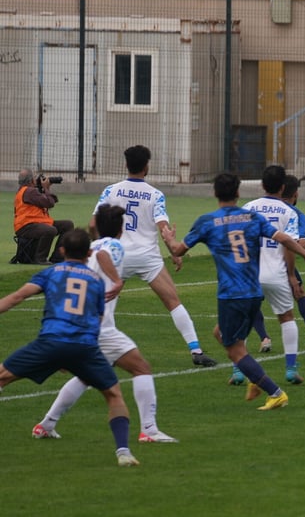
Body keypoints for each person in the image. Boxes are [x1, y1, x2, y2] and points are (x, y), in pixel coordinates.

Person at [164, 173, 305, 411]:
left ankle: (274, 392)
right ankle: (257, 377)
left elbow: (178, 251)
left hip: (232, 293)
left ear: (214, 193)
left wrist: (168, 239)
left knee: (231, 345)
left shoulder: (207, 221)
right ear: (238, 193)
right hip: (254, 292)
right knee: (223, 334)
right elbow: (284, 238)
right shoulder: (252, 217)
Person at [33, 205, 178, 443]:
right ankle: (149, 430)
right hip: (101, 327)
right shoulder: (113, 246)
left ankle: (46, 424)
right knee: (141, 367)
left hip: (79, 322)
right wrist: (116, 279)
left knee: (85, 376)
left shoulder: (88, 248)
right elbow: (106, 256)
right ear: (121, 229)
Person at [0, 228, 139, 466]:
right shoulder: (96, 281)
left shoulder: (51, 272)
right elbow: (97, 319)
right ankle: (124, 452)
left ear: (61, 250)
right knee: (114, 394)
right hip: (84, 346)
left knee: (2, 376)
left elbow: (17, 297)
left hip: (50, 342)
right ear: (89, 252)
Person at [92, 145, 217, 367]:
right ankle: (196, 350)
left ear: (126, 164)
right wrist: (174, 250)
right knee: (173, 301)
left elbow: (94, 224)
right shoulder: (155, 194)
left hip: (114, 254)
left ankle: (100, 350)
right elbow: (163, 228)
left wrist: (96, 247)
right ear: (146, 166)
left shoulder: (110, 191)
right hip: (146, 256)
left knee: (105, 302)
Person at [233, 165, 305, 386]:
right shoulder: (289, 212)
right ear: (283, 187)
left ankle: (238, 371)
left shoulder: (248, 207)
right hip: (275, 273)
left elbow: (239, 240)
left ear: (262, 185)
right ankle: (291, 369)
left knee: (242, 320)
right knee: (286, 317)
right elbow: (289, 245)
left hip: (250, 273)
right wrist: (292, 276)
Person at [250, 174, 305, 353]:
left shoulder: (250, 207)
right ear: (296, 193)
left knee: (250, 305)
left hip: (253, 266)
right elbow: (302, 243)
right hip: (280, 265)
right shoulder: (295, 214)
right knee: (298, 297)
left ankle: (264, 338)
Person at [13, 169, 74, 264]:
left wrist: (42, 189)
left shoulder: (24, 191)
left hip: (35, 223)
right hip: (26, 225)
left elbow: (50, 201)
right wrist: (46, 188)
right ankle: (40, 258)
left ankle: (57, 258)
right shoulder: (29, 191)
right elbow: (50, 203)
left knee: (67, 225)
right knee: (50, 230)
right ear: (31, 181)